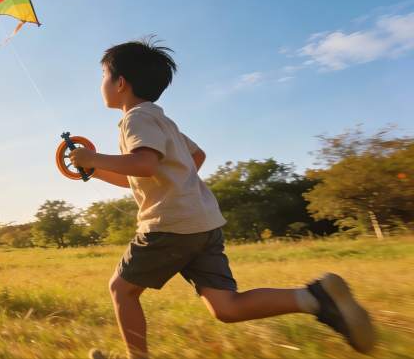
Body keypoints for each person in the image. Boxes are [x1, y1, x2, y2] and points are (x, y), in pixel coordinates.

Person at [68, 38, 375, 359]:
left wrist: (94, 158)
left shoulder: (136, 119)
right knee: (226, 306)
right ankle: (314, 298)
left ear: (120, 83)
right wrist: (97, 171)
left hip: (169, 227)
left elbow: (144, 165)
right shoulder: (163, 121)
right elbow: (190, 158)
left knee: (121, 289)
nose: (101, 83)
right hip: (203, 223)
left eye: (103, 75)